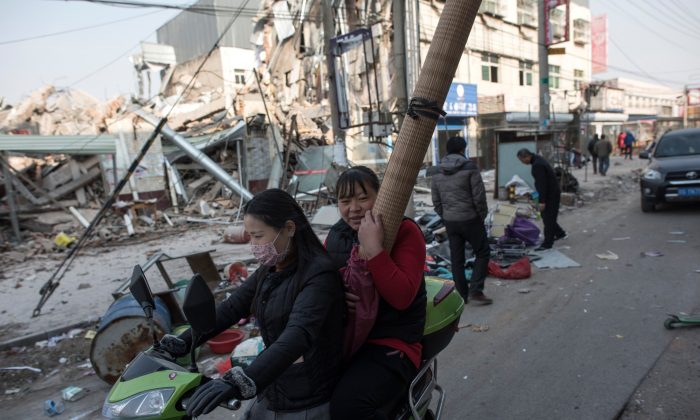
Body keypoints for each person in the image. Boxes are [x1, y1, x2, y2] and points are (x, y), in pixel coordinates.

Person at [158, 189, 345, 419]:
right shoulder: (271, 269)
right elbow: (232, 307)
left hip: (305, 396)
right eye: (250, 237)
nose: (254, 246)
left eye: (258, 236)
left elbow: (297, 336)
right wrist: (183, 341)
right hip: (274, 387)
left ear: (289, 228)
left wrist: (239, 381)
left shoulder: (319, 275)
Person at [326, 166, 427, 420]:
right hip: (348, 340)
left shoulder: (405, 231)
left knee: (348, 406)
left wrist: (373, 248)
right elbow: (322, 283)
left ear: (380, 196)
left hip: (391, 341)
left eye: (362, 198)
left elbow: (402, 297)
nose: (354, 208)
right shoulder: (335, 237)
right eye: (345, 200)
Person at [430, 136, 492, 305]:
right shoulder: (470, 167)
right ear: (462, 149)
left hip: (450, 221)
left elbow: (436, 200)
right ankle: (476, 291)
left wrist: (445, 215)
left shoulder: (436, 171)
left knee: (457, 259)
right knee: (483, 252)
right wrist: (482, 215)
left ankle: (462, 296)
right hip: (470, 218)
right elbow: (479, 197)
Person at [516, 149, 567, 251]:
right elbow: (540, 184)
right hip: (550, 192)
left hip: (550, 195)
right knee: (546, 216)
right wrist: (535, 196)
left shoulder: (537, 165)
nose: (522, 163)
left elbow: (542, 184)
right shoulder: (538, 160)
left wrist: (541, 201)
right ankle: (560, 233)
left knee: (548, 219)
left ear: (526, 157)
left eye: (522, 160)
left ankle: (547, 243)